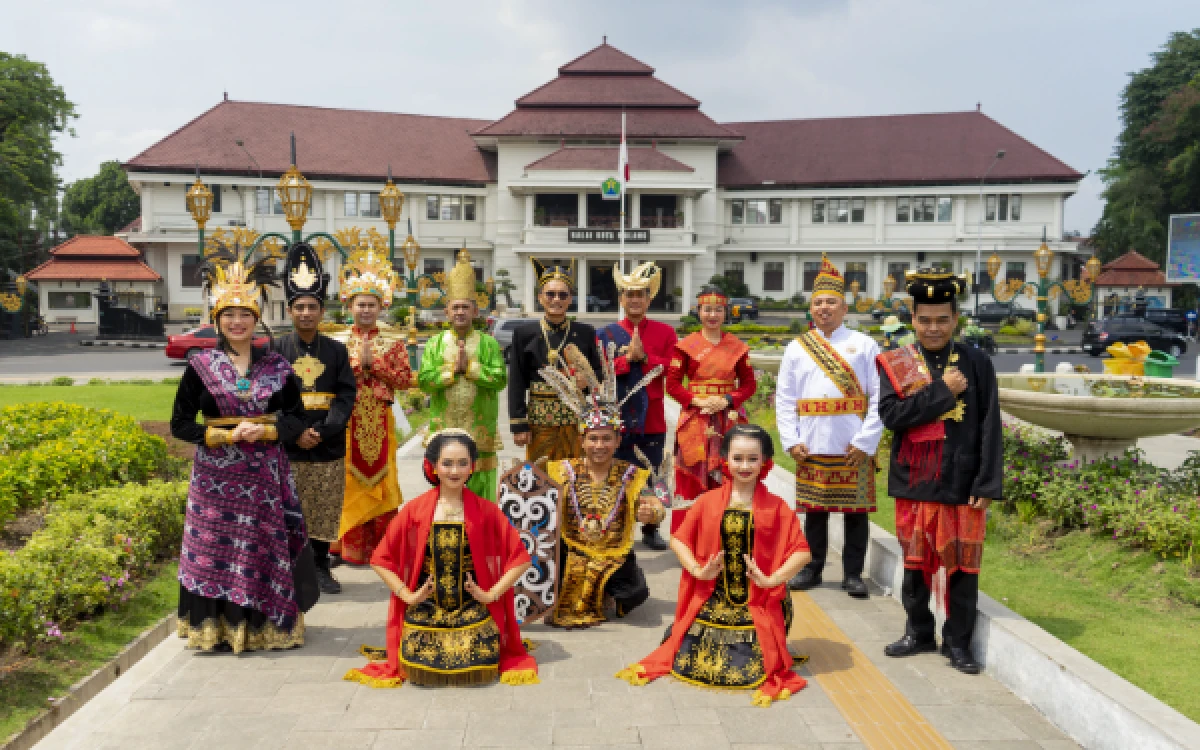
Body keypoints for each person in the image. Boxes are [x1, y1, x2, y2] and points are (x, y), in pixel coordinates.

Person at [170, 259, 311, 652]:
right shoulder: (200, 366)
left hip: (264, 480)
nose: (237, 322)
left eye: (244, 315)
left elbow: (298, 418)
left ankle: (265, 629)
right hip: (215, 482)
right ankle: (216, 631)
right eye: (229, 315)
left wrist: (267, 430)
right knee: (217, 554)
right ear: (218, 320)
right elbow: (180, 423)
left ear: (256, 318)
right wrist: (219, 435)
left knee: (261, 550)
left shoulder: (278, 367)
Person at [616, 424, 810, 706]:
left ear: (765, 461)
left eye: (752, 459)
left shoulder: (777, 507)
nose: (745, 466)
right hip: (711, 596)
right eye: (738, 458)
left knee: (751, 666)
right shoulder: (707, 502)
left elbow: (802, 552)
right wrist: (697, 570)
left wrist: (772, 579)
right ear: (725, 460)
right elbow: (679, 540)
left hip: (757, 600)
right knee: (689, 659)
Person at [876, 269, 1002, 675]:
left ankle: (958, 643)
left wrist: (986, 481)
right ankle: (918, 632)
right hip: (915, 478)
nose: (933, 328)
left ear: (955, 320)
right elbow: (893, 416)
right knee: (915, 565)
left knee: (963, 567)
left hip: (963, 480)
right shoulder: (897, 362)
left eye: (942, 320)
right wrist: (943, 390)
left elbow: (989, 423)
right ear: (912, 320)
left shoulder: (977, 362)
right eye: (925, 320)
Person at [343, 430, 539, 687]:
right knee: (418, 658)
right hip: (426, 610)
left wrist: (491, 595)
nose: (454, 471)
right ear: (433, 466)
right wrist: (407, 595)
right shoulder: (415, 510)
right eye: (447, 463)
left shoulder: (486, 511)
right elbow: (380, 558)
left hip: (473, 610)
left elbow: (521, 558)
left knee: (478, 656)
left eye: (462, 463)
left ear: (473, 466)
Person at [778, 255, 883, 599]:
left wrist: (867, 441)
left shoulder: (864, 345)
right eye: (818, 302)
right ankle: (812, 568)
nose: (824, 308)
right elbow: (785, 397)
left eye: (831, 302)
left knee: (855, 513)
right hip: (811, 442)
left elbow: (880, 396)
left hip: (852, 443)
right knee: (815, 512)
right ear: (812, 307)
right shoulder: (797, 347)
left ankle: (853, 574)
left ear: (844, 307)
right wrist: (791, 440)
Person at [539, 343, 666, 628]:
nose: (599, 446)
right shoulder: (559, 469)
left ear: (617, 442)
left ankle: (606, 592)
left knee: (635, 592)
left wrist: (653, 514)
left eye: (606, 439)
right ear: (582, 440)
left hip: (612, 552)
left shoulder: (633, 473)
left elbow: (655, 502)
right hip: (570, 549)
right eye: (593, 439)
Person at [274, 242, 357, 594]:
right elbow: (270, 399)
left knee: (325, 508)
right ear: (290, 310)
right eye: (300, 307)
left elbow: (345, 396)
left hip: (328, 443)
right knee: (291, 509)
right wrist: (295, 432)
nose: (306, 313)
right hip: (290, 446)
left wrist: (323, 431)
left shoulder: (337, 350)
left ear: (322, 311)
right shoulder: (276, 350)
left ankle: (322, 566)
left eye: (312, 307)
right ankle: (294, 570)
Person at [336, 250, 414, 565]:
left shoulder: (394, 342)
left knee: (384, 477)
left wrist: (376, 367)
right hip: (347, 419)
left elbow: (406, 380)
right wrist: (358, 367)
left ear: (381, 307)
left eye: (372, 304)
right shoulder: (338, 342)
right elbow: (332, 380)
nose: (366, 310)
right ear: (350, 306)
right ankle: (350, 548)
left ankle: (383, 548)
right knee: (348, 479)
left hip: (381, 419)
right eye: (360, 304)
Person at [598, 261, 678, 551]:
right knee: (616, 473)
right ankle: (618, 526)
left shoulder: (665, 333)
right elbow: (598, 371)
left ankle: (652, 525)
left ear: (649, 298)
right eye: (629, 294)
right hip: (617, 415)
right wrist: (625, 361)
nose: (634, 299)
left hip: (651, 417)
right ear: (621, 298)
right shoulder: (605, 333)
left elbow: (673, 371)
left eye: (640, 294)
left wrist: (645, 358)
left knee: (652, 473)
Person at [418, 248, 507, 501]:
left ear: (475, 311)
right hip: (444, 430)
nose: (460, 312)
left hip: (481, 433)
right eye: (455, 307)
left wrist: (470, 369)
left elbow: (500, 380)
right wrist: (450, 371)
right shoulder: (435, 344)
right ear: (446, 311)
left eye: (465, 307)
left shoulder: (488, 344)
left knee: (482, 498)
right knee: (445, 495)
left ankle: (480, 540)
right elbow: (424, 381)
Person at [666, 286, 756, 534]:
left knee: (731, 472)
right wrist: (697, 401)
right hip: (696, 420)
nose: (713, 314)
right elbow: (672, 384)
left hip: (728, 419)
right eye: (707, 309)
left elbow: (749, 385)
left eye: (718, 309)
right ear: (699, 311)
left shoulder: (736, 347)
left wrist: (728, 398)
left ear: (725, 312)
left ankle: (729, 535)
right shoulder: (686, 345)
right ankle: (689, 537)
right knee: (691, 474)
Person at [508, 259, 602, 461]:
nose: (556, 299)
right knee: (540, 477)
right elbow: (516, 381)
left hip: (574, 419)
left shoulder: (584, 333)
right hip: (539, 419)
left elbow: (599, 374)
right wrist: (518, 424)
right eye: (550, 294)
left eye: (563, 295)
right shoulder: (525, 333)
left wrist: (587, 383)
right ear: (540, 297)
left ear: (570, 299)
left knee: (574, 475)